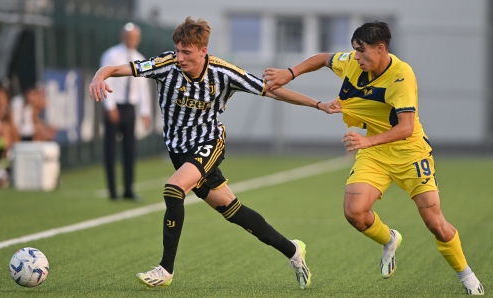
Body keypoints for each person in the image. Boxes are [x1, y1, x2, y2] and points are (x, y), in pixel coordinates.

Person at [89, 16, 334, 289]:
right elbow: (113, 68)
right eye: (178, 50)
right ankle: (293, 251)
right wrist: (99, 76)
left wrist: (318, 104)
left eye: (186, 52)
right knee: (234, 212)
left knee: (173, 188)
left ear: (203, 50)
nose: (179, 57)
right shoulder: (165, 65)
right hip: (178, 151)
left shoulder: (224, 73)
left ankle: (165, 269)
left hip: (209, 143)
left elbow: (272, 91)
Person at [263, 21, 484, 295]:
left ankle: (468, 277)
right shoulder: (354, 62)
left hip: (409, 152)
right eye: (354, 50)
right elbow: (322, 58)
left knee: (435, 223)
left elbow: (406, 128)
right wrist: (290, 72)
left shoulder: (402, 76)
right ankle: (389, 239)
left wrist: (366, 140)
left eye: (361, 51)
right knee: (354, 212)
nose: (356, 56)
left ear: (381, 49)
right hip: (375, 152)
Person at [100, 22, 152, 201]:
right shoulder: (111, 55)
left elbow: (143, 88)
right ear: (123, 37)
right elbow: (107, 81)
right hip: (115, 105)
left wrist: (145, 112)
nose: (132, 40)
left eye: (135, 37)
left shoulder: (140, 58)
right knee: (111, 149)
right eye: (129, 36)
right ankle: (112, 190)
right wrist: (110, 106)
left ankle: (128, 189)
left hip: (130, 108)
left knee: (130, 149)